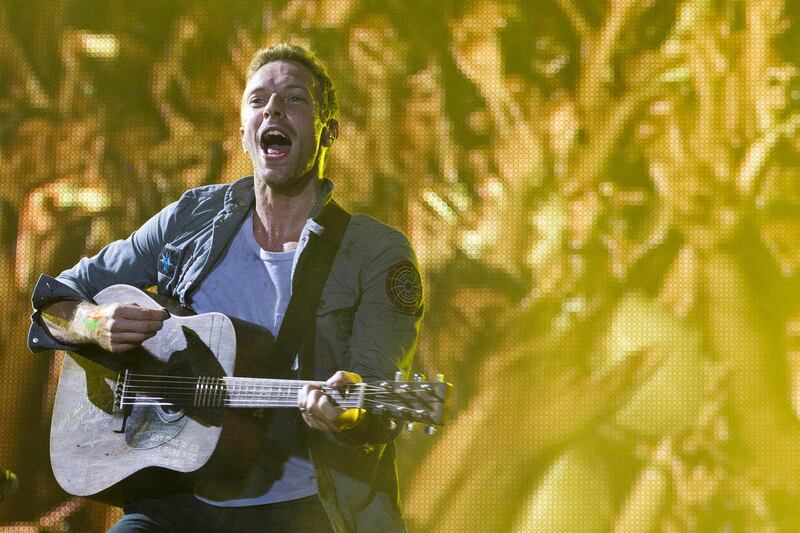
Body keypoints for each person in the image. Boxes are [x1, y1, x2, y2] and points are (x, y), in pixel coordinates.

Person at [27, 43, 423, 533]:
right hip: (176, 500)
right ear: (243, 133)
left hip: (306, 511)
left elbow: (376, 397)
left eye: (294, 99)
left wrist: (349, 414)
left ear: (328, 132)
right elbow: (55, 299)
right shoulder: (190, 219)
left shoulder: (376, 254)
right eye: (258, 100)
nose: (273, 108)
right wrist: (94, 323)